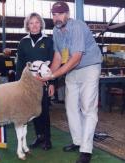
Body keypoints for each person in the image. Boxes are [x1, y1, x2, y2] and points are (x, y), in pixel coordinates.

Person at [39, 1, 102, 162]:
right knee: (71, 107)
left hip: (89, 67)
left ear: (67, 14)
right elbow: (59, 57)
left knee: (88, 108)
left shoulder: (77, 27)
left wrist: (53, 77)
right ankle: (78, 141)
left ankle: (86, 150)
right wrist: (48, 75)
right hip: (72, 70)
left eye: (60, 13)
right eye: (54, 14)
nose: (57, 17)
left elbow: (76, 57)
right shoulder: (56, 30)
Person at [16, 12, 56, 150]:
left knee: (44, 110)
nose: (34, 25)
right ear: (28, 25)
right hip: (28, 85)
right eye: (31, 23)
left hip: (43, 83)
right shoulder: (23, 42)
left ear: (41, 24)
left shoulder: (48, 41)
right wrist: (18, 84)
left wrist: (52, 83)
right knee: (32, 111)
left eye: (37, 22)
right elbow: (20, 65)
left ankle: (47, 139)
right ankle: (39, 136)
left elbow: (54, 64)